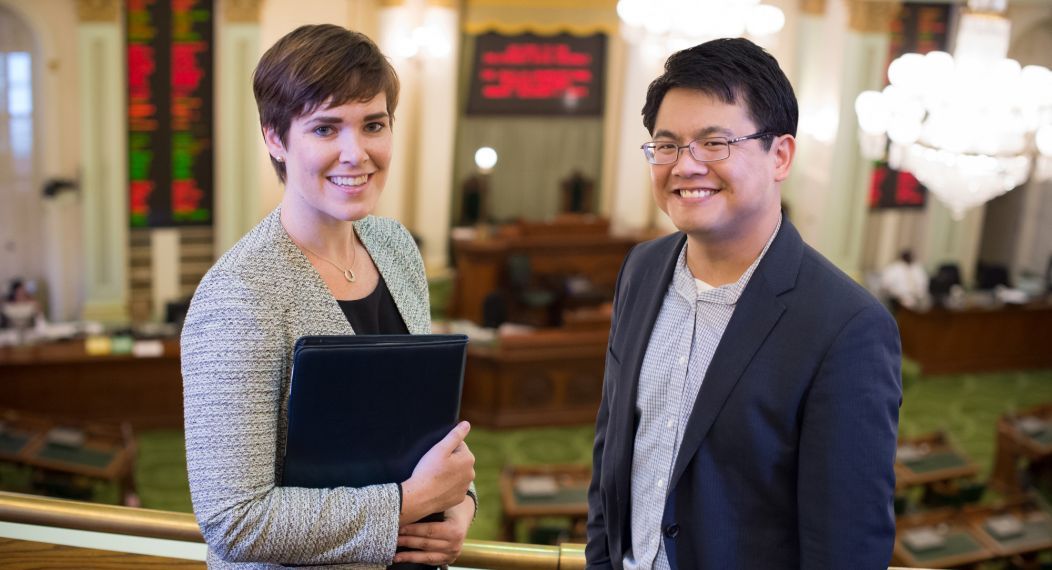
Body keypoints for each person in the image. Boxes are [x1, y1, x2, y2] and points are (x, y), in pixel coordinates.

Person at [586, 38, 901, 569]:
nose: (685, 166)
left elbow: (845, 548)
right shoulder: (641, 269)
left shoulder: (847, 326)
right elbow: (613, 456)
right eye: (666, 145)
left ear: (780, 155)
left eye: (714, 143)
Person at [181, 25, 476, 569]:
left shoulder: (396, 247)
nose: (355, 152)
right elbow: (234, 521)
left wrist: (457, 506)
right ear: (274, 137)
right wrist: (411, 503)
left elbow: (420, 426)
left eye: (373, 125)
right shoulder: (239, 296)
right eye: (325, 128)